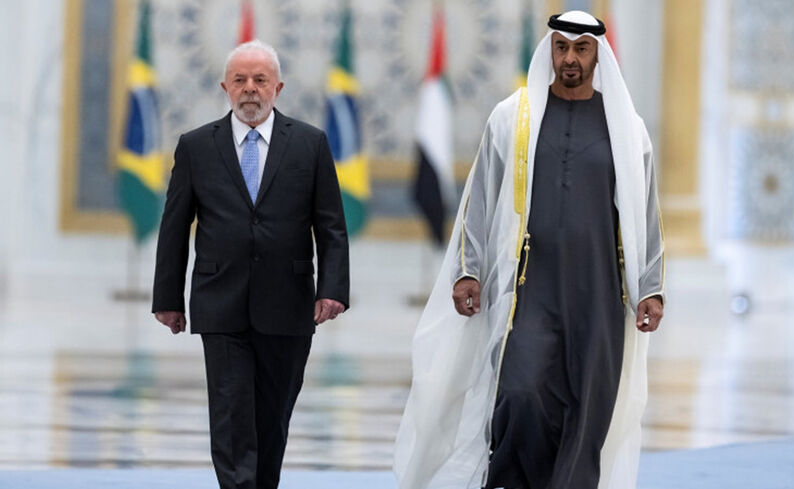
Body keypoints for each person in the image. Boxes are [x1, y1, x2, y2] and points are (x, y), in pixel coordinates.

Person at [394, 11, 664, 489]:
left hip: (599, 294)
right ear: (550, 52)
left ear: (598, 54)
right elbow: (479, 199)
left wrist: (652, 289)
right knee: (520, 394)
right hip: (528, 289)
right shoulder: (511, 118)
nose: (570, 59)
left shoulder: (627, 129)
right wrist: (467, 270)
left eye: (581, 49)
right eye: (562, 48)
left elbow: (646, 215)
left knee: (587, 409)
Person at [152, 40, 349, 489]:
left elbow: (332, 227)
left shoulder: (311, 144)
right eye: (240, 80)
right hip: (220, 302)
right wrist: (168, 298)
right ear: (225, 87)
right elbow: (174, 226)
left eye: (260, 80)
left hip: (289, 305)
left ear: (278, 87)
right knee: (231, 414)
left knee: (272, 419)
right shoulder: (197, 146)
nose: (250, 89)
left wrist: (333, 288)